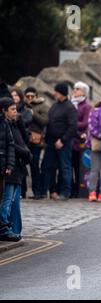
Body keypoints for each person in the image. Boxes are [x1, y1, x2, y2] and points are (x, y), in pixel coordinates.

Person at [0, 98, 31, 242]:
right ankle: (5, 230)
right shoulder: (4, 124)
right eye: (12, 109)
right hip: (8, 169)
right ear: (4, 111)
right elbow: (9, 146)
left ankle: (11, 229)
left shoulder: (15, 124)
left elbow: (19, 142)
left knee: (12, 200)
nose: (16, 112)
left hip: (14, 168)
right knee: (6, 201)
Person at [40, 83, 77, 201]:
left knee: (64, 167)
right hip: (50, 142)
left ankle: (65, 192)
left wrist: (62, 140)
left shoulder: (70, 107)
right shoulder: (54, 106)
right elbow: (49, 123)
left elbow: (72, 127)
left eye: (56, 91)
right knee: (47, 166)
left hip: (63, 143)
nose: (54, 93)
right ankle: (51, 191)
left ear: (61, 92)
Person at [25, 88, 49, 200]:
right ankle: (23, 191)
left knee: (34, 166)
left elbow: (45, 121)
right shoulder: (22, 106)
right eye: (28, 96)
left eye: (32, 96)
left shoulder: (42, 106)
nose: (30, 98)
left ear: (36, 96)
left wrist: (33, 113)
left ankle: (37, 191)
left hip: (36, 141)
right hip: (24, 140)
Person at [71, 81, 93, 198]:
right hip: (70, 140)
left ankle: (78, 190)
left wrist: (72, 124)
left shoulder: (87, 106)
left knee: (78, 167)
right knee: (68, 167)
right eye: (74, 88)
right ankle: (70, 189)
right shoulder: (71, 104)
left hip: (80, 141)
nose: (75, 91)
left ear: (84, 92)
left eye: (77, 89)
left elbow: (85, 123)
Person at [10, 87, 32, 198]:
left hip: (21, 142)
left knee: (21, 167)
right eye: (12, 95)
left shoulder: (25, 111)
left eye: (16, 95)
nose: (14, 97)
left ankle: (22, 192)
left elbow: (27, 122)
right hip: (12, 143)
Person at [0, 97, 16, 240]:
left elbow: (10, 145)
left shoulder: (4, 123)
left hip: (2, 168)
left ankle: (2, 230)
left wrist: (9, 165)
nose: (15, 112)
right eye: (12, 109)